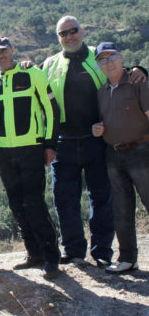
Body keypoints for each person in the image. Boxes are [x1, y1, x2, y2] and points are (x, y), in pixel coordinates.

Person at [42, 15, 147, 267]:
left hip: (97, 141)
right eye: (63, 33)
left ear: (83, 30)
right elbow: (36, 86)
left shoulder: (96, 56)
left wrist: (141, 70)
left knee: (102, 198)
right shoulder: (49, 63)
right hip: (63, 141)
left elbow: (118, 69)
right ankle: (74, 250)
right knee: (64, 198)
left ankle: (101, 252)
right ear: (58, 38)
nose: (69, 36)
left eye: (73, 30)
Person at [0, 36, 61, 279]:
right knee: (17, 205)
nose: (0, 56)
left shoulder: (33, 75)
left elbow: (52, 110)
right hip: (5, 155)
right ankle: (34, 253)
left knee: (34, 204)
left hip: (31, 150)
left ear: (12, 50)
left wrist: (49, 145)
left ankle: (51, 257)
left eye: (3, 51)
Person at [92, 42, 149, 273]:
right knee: (122, 209)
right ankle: (128, 259)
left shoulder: (139, 83)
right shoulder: (102, 92)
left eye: (111, 57)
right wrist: (99, 129)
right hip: (114, 155)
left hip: (141, 152)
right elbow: (105, 120)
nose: (108, 62)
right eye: (102, 60)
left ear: (121, 57)